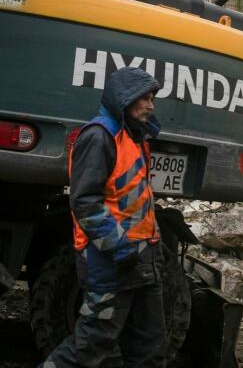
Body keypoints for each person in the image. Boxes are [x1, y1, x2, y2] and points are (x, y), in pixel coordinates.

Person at [43, 67, 165, 367]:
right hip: (111, 262)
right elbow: (84, 201)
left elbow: (137, 199)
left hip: (143, 261)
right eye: (144, 98)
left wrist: (154, 249)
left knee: (150, 348)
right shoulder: (99, 136)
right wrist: (119, 247)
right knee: (91, 347)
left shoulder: (134, 137)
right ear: (123, 99)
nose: (151, 105)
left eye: (152, 98)